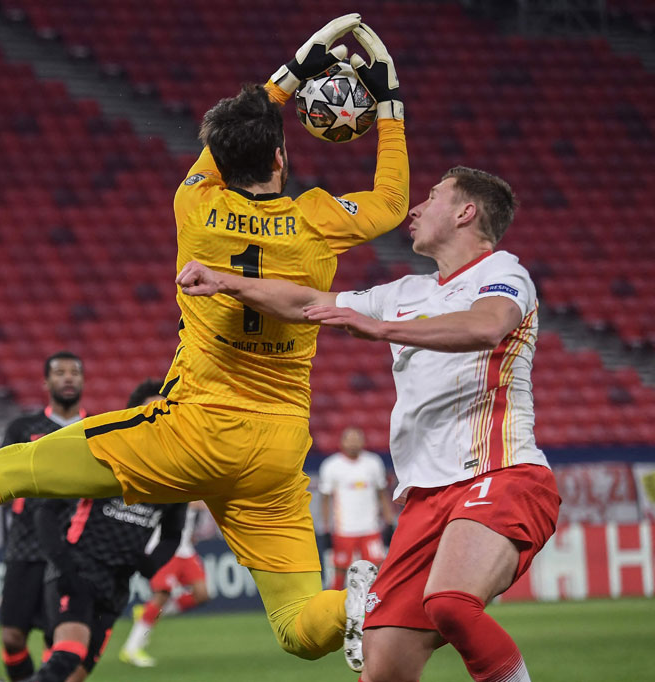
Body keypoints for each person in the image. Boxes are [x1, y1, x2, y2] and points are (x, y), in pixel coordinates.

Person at [0, 14, 408, 673]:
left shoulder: (194, 204)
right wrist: (387, 102)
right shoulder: (319, 221)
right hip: (278, 450)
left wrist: (290, 74)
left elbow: (227, 146)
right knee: (297, 624)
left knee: (10, 469)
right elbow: (392, 202)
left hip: (195, 429)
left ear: (219, 162)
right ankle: (363, 603)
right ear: (281, 159)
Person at [176, 166, 561, 681]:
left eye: (432, 197)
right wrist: (227, 282)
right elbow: (307, 302)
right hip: (426, 497)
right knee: (382, 670)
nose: (415, 209)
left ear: (467, 212)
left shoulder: (503, 273)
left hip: (502, 474)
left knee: (450, 603)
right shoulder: (406, 291)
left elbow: (487, 326)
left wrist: (382, 329)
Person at [12, 380, 186, 682]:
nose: (159, 420)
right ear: (135, 416)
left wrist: (150, 564)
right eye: (151, 411)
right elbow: (46, 513)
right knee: (67, 656)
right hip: (77, 573)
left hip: (117, 586)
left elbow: (172, 535)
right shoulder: (106, 458)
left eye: (166, 413)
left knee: (73, 676)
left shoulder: (176, 479)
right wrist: (64, 566)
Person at [0, 351, 86, 682]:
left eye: (74, 372)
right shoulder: (23, 428)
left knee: (56, 640)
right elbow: (0, 477)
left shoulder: (96, 429)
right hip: (26, 547)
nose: (68, 377)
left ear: (83, 380)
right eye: (59, 372)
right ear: (45, 382)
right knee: (11, 637)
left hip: (72, 549)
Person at [118, 379, 210, 669]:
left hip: (185, 547)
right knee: (161, 593)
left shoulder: (187, 459)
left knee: (202, 595)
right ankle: (132, 648)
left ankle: (150, 613)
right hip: (163, 543)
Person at [318, 427, 394, 590]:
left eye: (356, 439)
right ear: (342, 442)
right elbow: (325, 499)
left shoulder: (373, 463)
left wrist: (389, 520)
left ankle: (375, 609)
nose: (353, 443)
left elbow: (382, 494)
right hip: (344, 529)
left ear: (363, 441)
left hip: (370, 528)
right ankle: (332, 611)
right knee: (339, 570)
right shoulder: (332, 465)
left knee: (376, 569)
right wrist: (325, 527)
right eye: (349, 439)